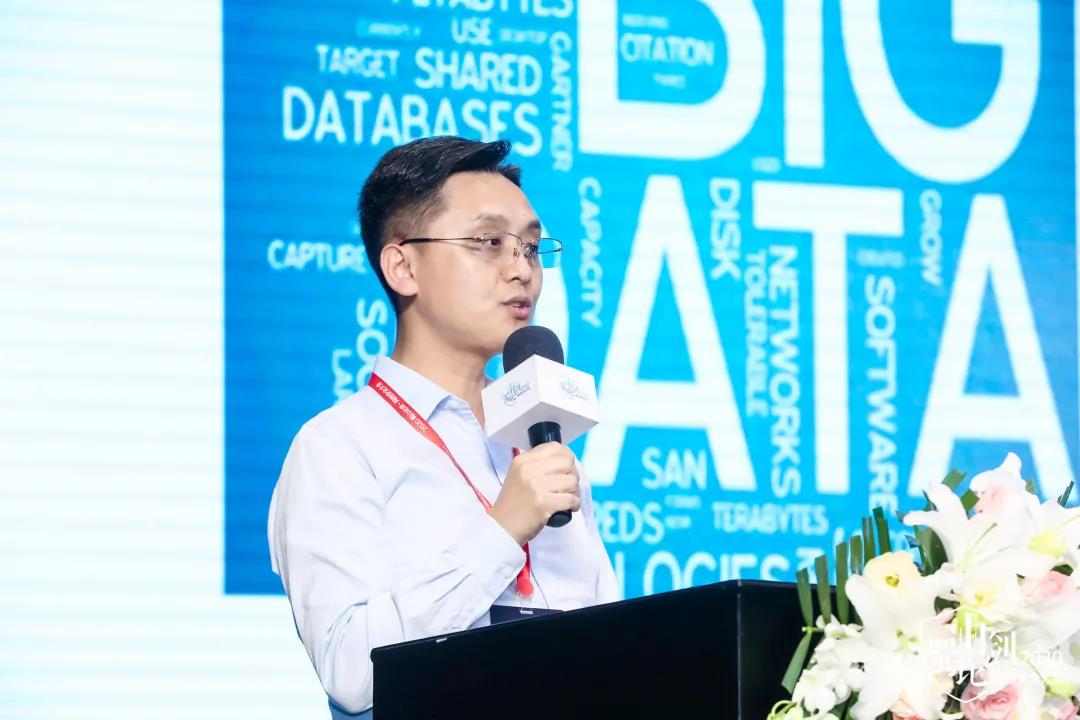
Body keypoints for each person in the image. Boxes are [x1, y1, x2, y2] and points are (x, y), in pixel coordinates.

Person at [267, 136, 620, 718]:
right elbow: (352, 671)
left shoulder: (543, 447)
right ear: (402, 267)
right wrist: (502, 530)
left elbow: (615, 651)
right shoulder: (337, 448)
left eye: (532, 248)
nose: (521, 271)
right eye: (488, 242)